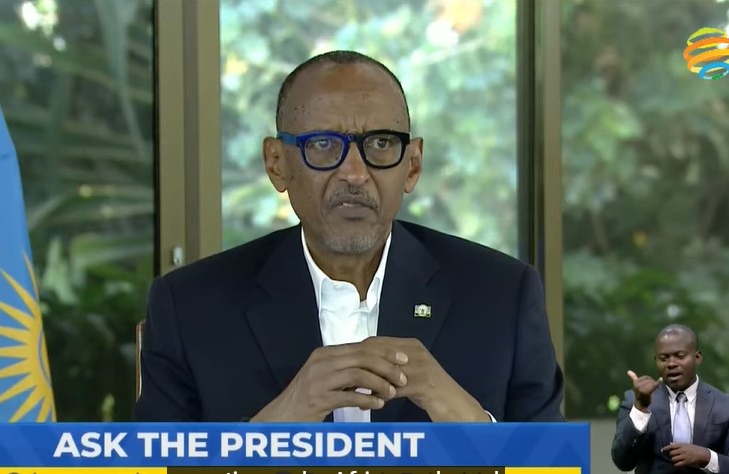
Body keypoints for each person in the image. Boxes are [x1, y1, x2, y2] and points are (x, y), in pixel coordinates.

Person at [133, 50, 563, 423]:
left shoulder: (501, 296)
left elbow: (554, 466)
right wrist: (276, 426)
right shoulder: (190, 308)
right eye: (322, 144)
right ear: (277, 164)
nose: (354, 173)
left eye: (380, 143)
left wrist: (461, 413)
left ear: (412, 166)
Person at [611, 324, 729, 473]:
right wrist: (640, 408)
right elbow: (622, 462)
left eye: (680, 356)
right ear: (656, 360)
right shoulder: (635, 400)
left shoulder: (727, 406)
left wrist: (706, 457)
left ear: (697, 357)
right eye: (663, 358)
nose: (671, 364)